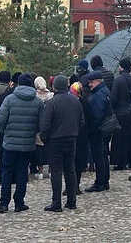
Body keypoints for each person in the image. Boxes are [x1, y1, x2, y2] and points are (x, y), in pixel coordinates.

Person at [0, 73, 44, 214]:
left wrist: (5, 132)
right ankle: (19, 202)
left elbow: (0, 119)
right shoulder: (38, 102)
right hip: (28, 142)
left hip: (10, 142)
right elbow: (41, 123)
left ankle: (4, 203)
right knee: (22, 171)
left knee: (7, 171)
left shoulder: (9, 99)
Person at [40, 75, 84, 212]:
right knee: (70, 170)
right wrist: (75, 132)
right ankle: (72, 201)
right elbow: (81, 121)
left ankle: (56, 202)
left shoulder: (52, 103)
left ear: (55, 87)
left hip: (55, 140)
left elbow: (46, 124)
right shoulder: (76, 102)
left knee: (57, 171)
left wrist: (44, 137)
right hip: (71, 138)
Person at [83, 71, 111, 192]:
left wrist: (91, 129)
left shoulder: (98, 95)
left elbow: (97, 115)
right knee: (103, 155)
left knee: (99, 156)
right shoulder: (105, 91)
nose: (90, 84)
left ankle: (100, 182)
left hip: (97, 130)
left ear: (98, 81)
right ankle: (104, 180)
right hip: (105, 128)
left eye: (92, 82)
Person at [110, 58, 131, 170]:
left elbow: (114, 97)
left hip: (120, 113)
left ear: (121, 67)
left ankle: (121, 162)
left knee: (119, 139)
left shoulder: (118, 80)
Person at [33, 76, 52, 179]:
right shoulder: (51, 96)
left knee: (39, 149)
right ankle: (50, 170)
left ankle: (40, 172)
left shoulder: (35, 97)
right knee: (49, 148)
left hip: (38, 126)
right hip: (50, 126)